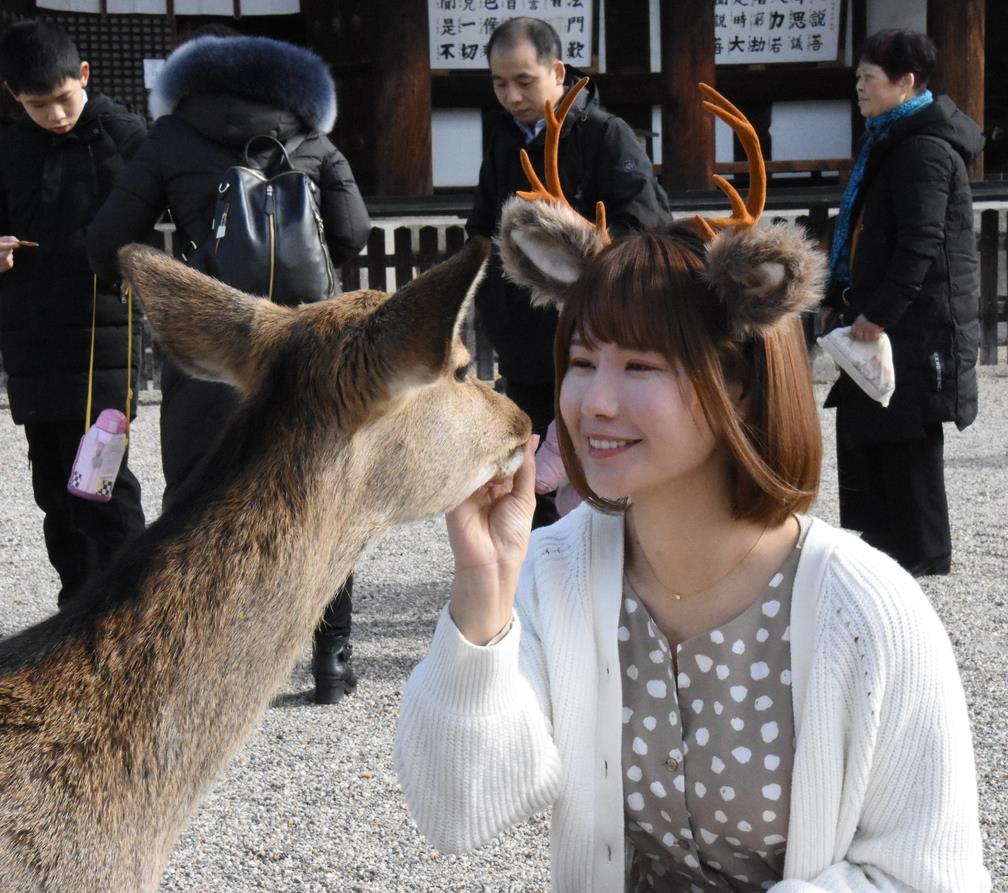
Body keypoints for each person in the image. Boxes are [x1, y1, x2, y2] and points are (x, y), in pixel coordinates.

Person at [394, 86, 989, 891]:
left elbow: (931, 877)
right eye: (581, 361)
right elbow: (457, 810)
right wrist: (481, 593)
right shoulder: (555, 573)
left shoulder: (867, 614)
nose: (593, 400)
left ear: (738, 388)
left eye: (640, 367)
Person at [87, 31, 370, 705]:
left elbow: (106, 241)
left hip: (212, 351)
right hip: (309, 347)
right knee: (325, 497)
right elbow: (354, 233)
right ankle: (329, 655)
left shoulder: (170, 139)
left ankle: (205, 661)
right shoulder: (312, 138)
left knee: (197, 498)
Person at [466, 16, 672, 528]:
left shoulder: (606, 135)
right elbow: (482, 228)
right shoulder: (502, 138)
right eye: (499, 82)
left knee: (597, 477)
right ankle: (528, 588)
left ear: (557, 71)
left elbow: (647, 227)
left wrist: (580, 251)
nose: (511, 95)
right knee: (527, 478)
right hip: (523, 345)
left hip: (592, 341)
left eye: (523, 80)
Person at [0, 21, 146, 606]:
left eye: (63, 98)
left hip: (102, 334)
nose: (54, 114)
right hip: (31, 336)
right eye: (36, 104)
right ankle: (77, 607)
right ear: (12, 96)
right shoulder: (12, 147)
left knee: (100, 482)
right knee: (53, 486)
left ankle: (133, 608)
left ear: (84, 76)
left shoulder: (125, 135)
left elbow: (159, 217)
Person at [823, 29, 981, 577]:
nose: (859, 88)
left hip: (919, 322)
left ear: (904, 83)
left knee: (908, 436)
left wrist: (878, 313)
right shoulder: (892, 139)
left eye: (868, 78)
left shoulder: (923, 149)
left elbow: (921, 243)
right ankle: (885, 551)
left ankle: (923, 556)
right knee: (872, 428)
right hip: (886, 316)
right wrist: (840, 297)